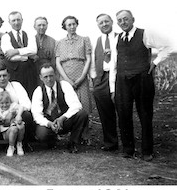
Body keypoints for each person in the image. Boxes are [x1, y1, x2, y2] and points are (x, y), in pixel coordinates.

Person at [110, 10, 172, 161]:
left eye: (126, 19)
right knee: (123, 115)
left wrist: (155, 63)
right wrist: (113, 88)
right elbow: (113, 63)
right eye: (119, 20)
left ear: (133, 19)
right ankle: (128, 150)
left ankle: (147, 151)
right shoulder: (116, 38)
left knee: (145, 115)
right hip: (122, 80)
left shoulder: (145, 34)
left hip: (142, 80)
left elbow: (168, 47)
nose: (123, 22)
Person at [31, 63, 89, 153]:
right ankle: (51, 140)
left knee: (82, 114)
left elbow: (76, 105)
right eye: (45, 77)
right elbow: (37, 115)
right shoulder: (38, 91)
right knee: (41, 134)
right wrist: (49, 124)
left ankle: (73, 143)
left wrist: (62, 118)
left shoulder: (64, 85)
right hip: (49, 123)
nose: (49, 79)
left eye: (51, 76)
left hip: (64, 121)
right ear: (40, 77)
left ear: (56, 75)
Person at [0, 64, 36, 151]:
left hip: (17, 118)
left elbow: (27, 104)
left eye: (4, 75)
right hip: (1, 122)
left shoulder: (16, 86)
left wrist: (13, 114)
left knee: (27, 115)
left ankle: (23, 143)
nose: (2, 78)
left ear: (9, 76)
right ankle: (6, 144)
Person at [90, 14, 118, 151]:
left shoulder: (119, 37)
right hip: (101, 79)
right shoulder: (97, 40)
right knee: (105, 112)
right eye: (101, 23)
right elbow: (94, 61)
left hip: (118, 77)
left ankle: (127, 143)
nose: (104, 24)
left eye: (106, 21)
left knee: (121, 109)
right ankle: (110, 143)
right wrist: (95, 79)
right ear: (98, 25)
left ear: (112, 22)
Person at [56, 15, 92, 114]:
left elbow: (88, 59)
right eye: (69, 25)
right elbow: (58, 62)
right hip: (65, 74)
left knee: (84, 100)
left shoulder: (84, 40)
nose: (72, 27)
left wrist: (82, 77)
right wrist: (67, 80)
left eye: (74, 24)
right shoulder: (59, 43)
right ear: (65, 27)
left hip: (81, 73)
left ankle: (85, 123)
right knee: (67, 100)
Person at [1, 11, 37, 97]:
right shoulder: (6, 37)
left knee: (31, 93)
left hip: (30, 70)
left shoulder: (29, 34)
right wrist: (27, 56)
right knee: (16, 95)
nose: (16, 23)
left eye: (18, 20)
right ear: (9, 22)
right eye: (13, 20)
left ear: (22, 20)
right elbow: (10, 56)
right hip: (14, 71)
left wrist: (16, 51)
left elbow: (33, 50)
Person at [32, 17, 56, 82]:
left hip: (47, 72)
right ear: (34, 26)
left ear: (47, 26)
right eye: (39, 25)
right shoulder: (30, 40)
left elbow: (54, 60)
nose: (42, 27)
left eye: (44, 25)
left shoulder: (52, 41)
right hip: (33, 71)